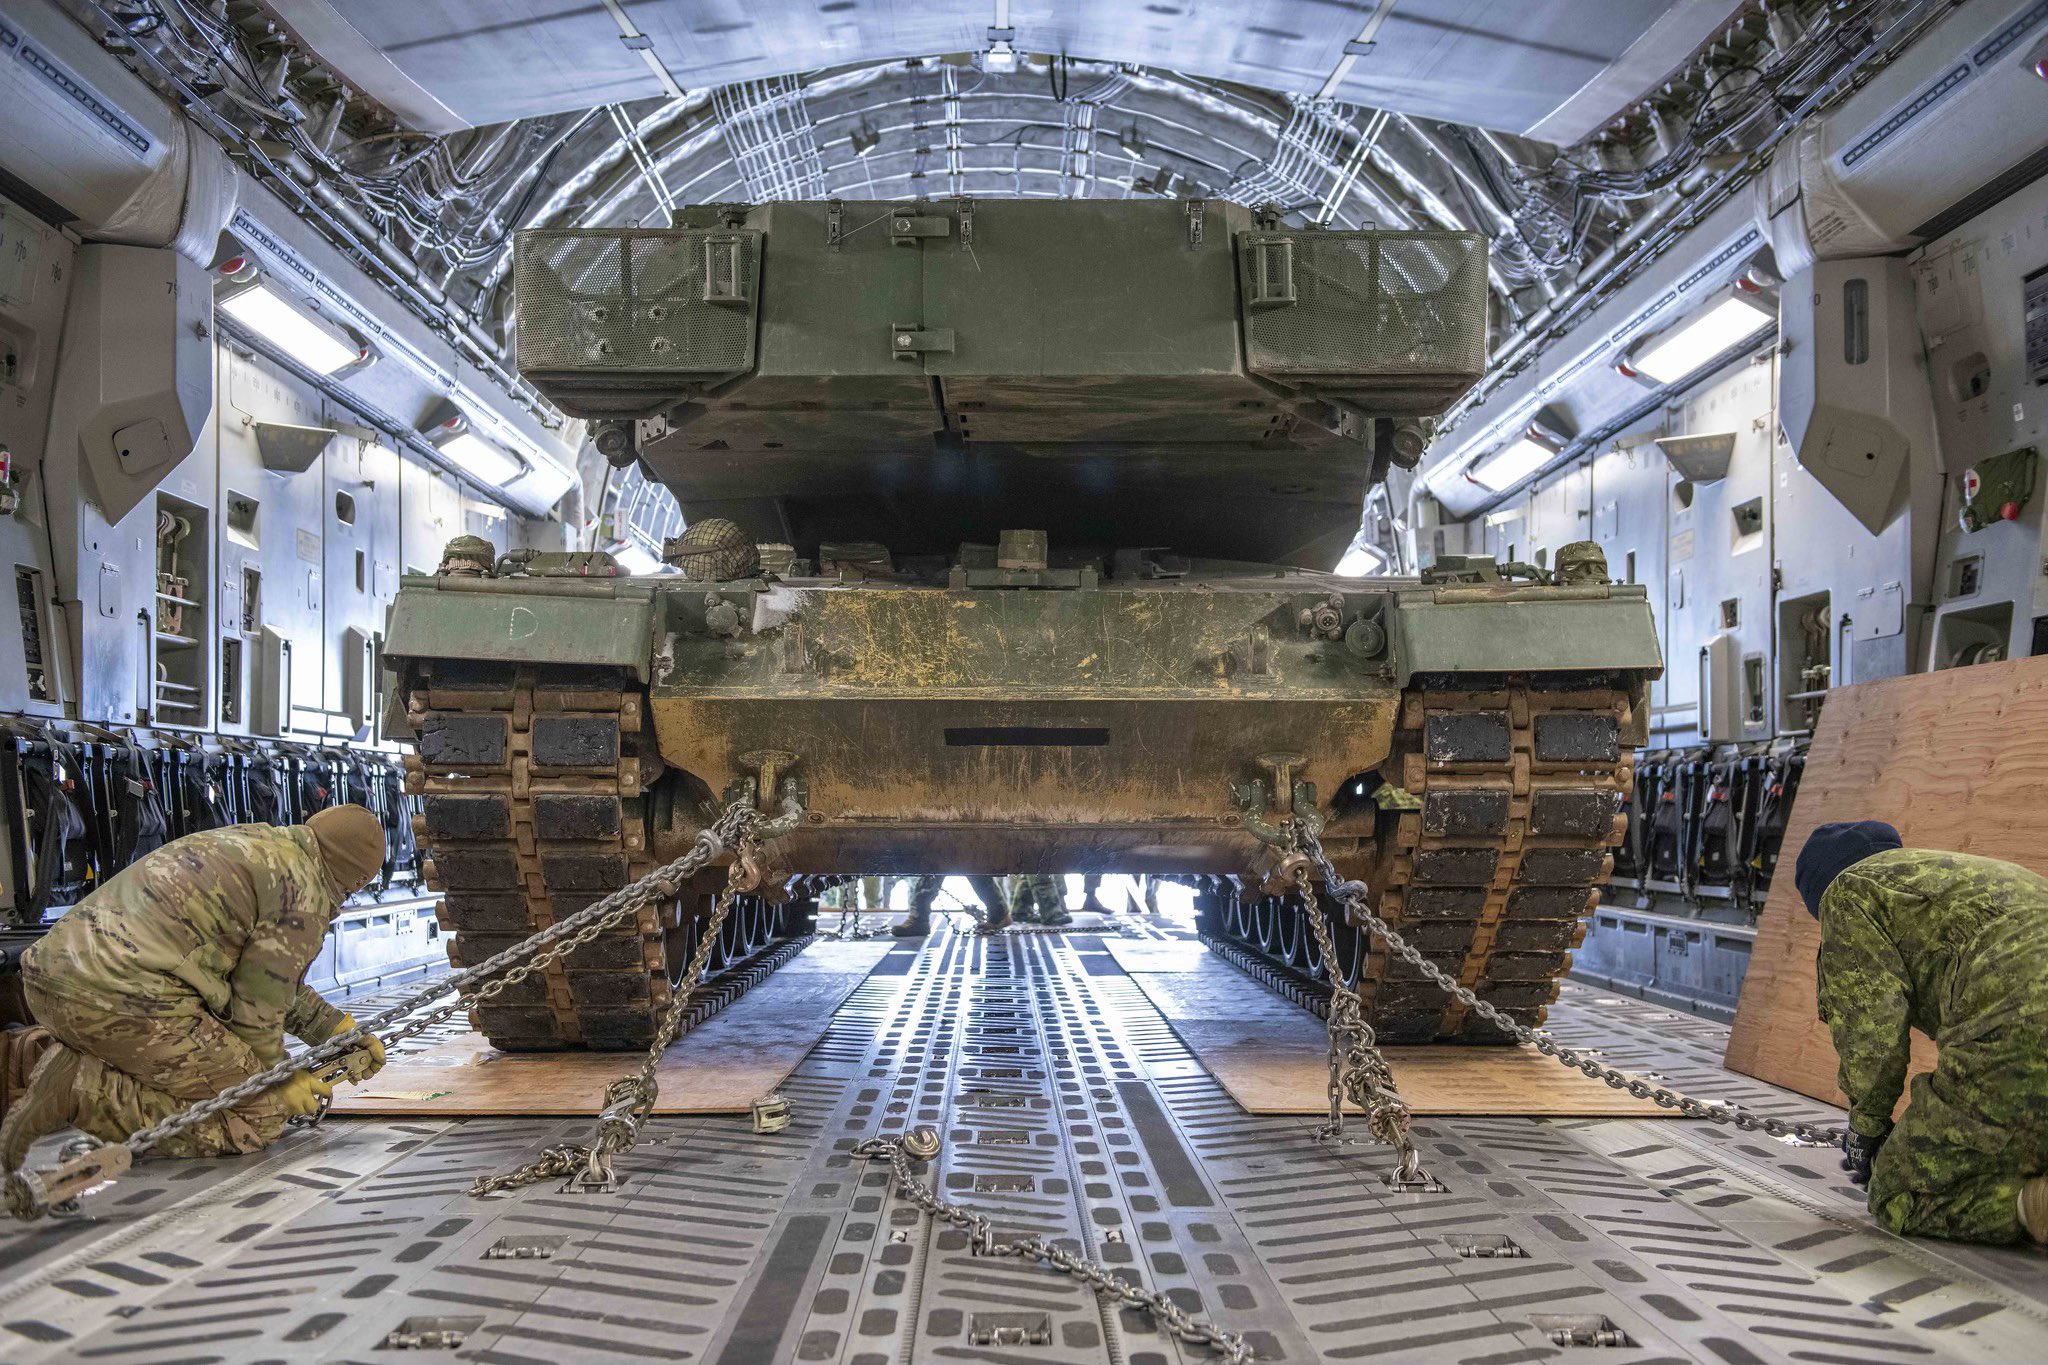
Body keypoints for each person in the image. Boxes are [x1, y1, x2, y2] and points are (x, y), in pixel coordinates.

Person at [0, 806, 392, 1169]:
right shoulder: (303, 894)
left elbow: (268, 982)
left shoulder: (261, 844)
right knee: (260, 1115)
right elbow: (256, 1013)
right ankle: (80, 1090)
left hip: (49, 980)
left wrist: (339, 1031)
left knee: (222, 1079)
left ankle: (38, 1059)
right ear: (355, 879)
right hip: (125, 998)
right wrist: (281, 1080)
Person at [1797, 820, 2048, 1245]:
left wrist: (1868, 1128)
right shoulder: (1946, 875)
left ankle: (2035, 1205)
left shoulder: (1848, 893)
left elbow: (1872, 1036)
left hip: (2022, 1022)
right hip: (2023, 1016)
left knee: (1900, 1192)